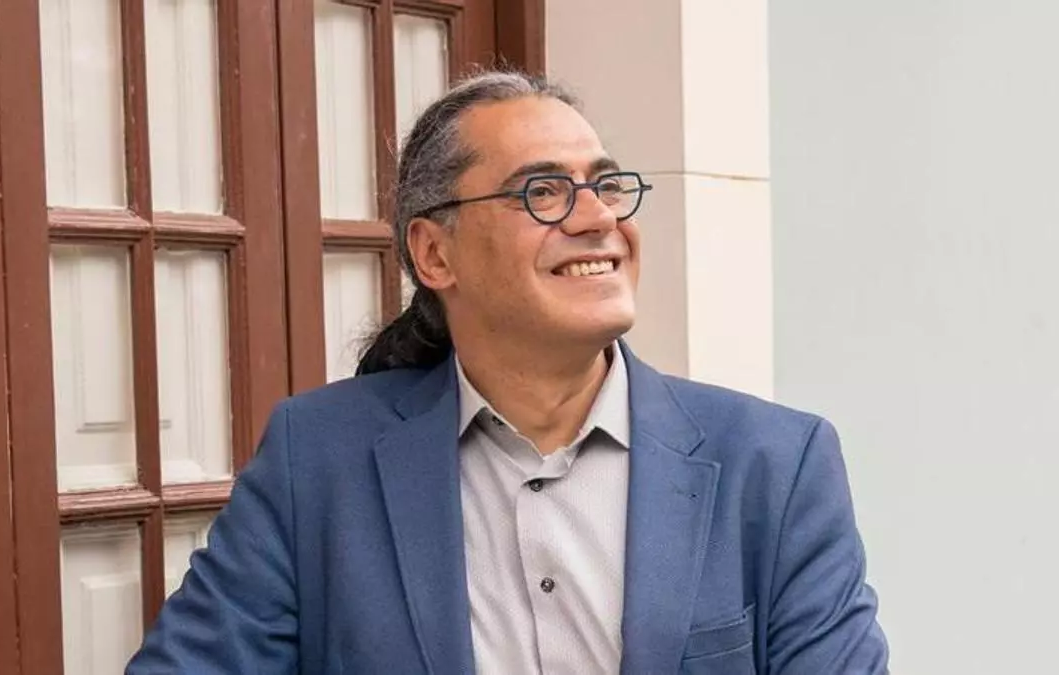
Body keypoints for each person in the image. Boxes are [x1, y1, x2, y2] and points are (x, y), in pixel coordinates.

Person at [126, 71, 889, 674]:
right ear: (435, 253)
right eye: (543, 191)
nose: (599, 218)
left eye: (606, 185)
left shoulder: (775, 464)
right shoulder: (318, 459)